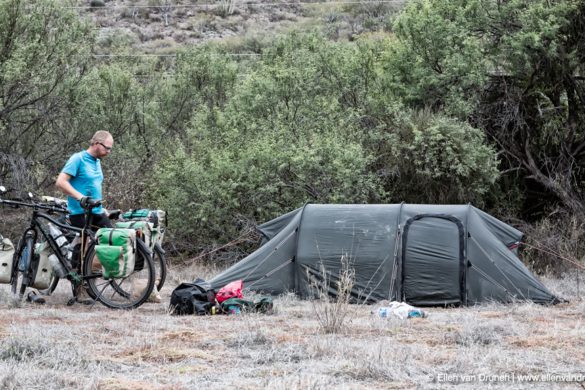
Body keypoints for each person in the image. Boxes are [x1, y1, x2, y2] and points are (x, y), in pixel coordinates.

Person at [56, 130, 114, 229]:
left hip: (97, 212)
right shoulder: (78, 158)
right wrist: (81, 198)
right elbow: (61, 182)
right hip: (80, 214)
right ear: (96, 144)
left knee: (112, 239)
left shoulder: (97, 162)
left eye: (110, 149)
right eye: (107, 148)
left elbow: (91, 187)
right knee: (85, 244)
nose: (108, 152)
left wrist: (101, 208)